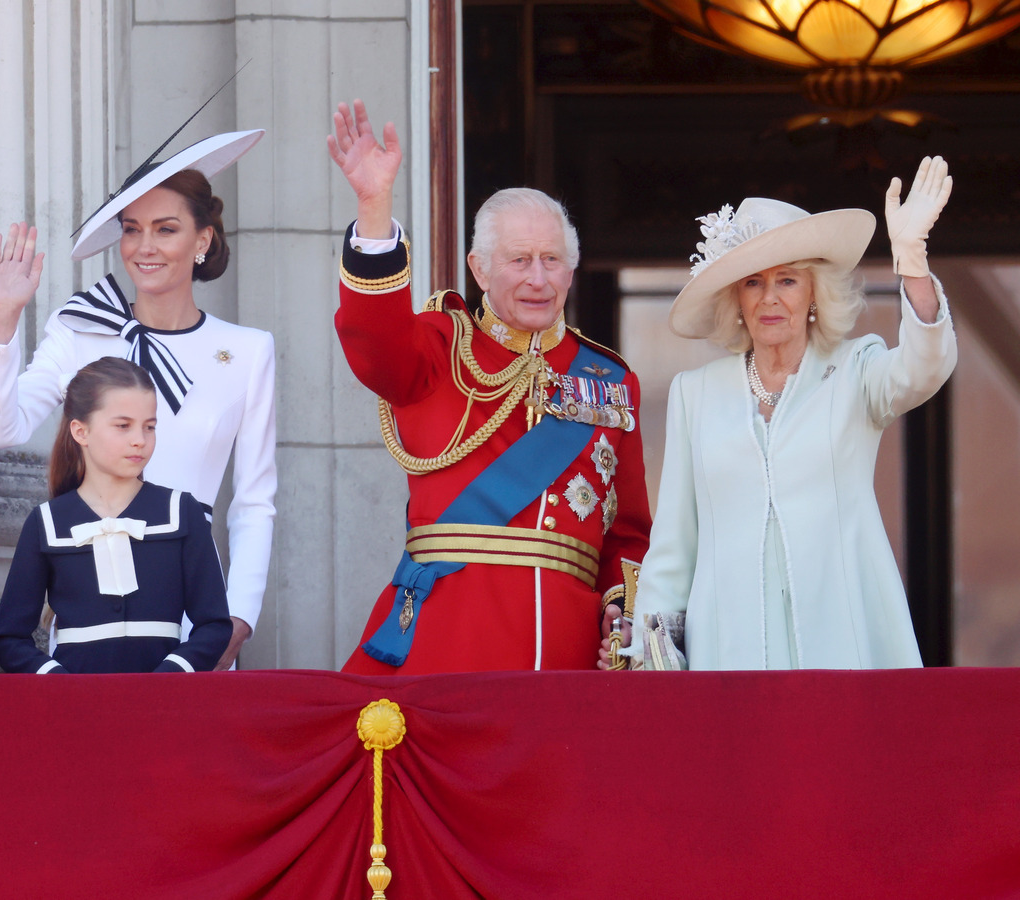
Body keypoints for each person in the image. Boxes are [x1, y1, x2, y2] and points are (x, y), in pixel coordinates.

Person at [328, 99, 652, 674]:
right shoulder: (436, 347)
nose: (537, 278)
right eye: (519, 260)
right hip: (445, 643)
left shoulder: (608, 379)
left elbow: (627, 534)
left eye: (552, 260)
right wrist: (374, 207)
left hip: (566, 655)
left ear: (572, 271)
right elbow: (373, 338)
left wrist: (618, 614)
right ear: (478, 270)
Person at [605, 157, 957, 671]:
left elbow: (924, 367)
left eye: (787, 281)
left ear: (814, 292)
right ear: (737, 298)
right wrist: (651, 652)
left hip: (844, 640)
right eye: (753, 283)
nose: (770, 298)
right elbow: (675, 543)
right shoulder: (695, 394)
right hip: (729, 651)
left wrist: (912, 260)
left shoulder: (856, 371)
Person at [0, 129, 274, 670]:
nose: (145, 247)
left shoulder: (249, 351)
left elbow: (254, 500)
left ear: (202, 239)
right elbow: (1, 430)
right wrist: (3, 323)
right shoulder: (81, 328)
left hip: (195, 610)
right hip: (89, 604)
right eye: (132, 230)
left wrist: (238, 619)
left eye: (166, 229)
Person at [0, 358, 232, 674]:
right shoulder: (47, 522)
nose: (139, 440)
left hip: (166, 709)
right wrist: (58, 682)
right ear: (80, 431)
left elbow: (214, 624)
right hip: (78, 711)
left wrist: (173, 674)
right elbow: (9, 639)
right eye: (123, 426)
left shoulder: (181, 511)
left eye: (150, 426)